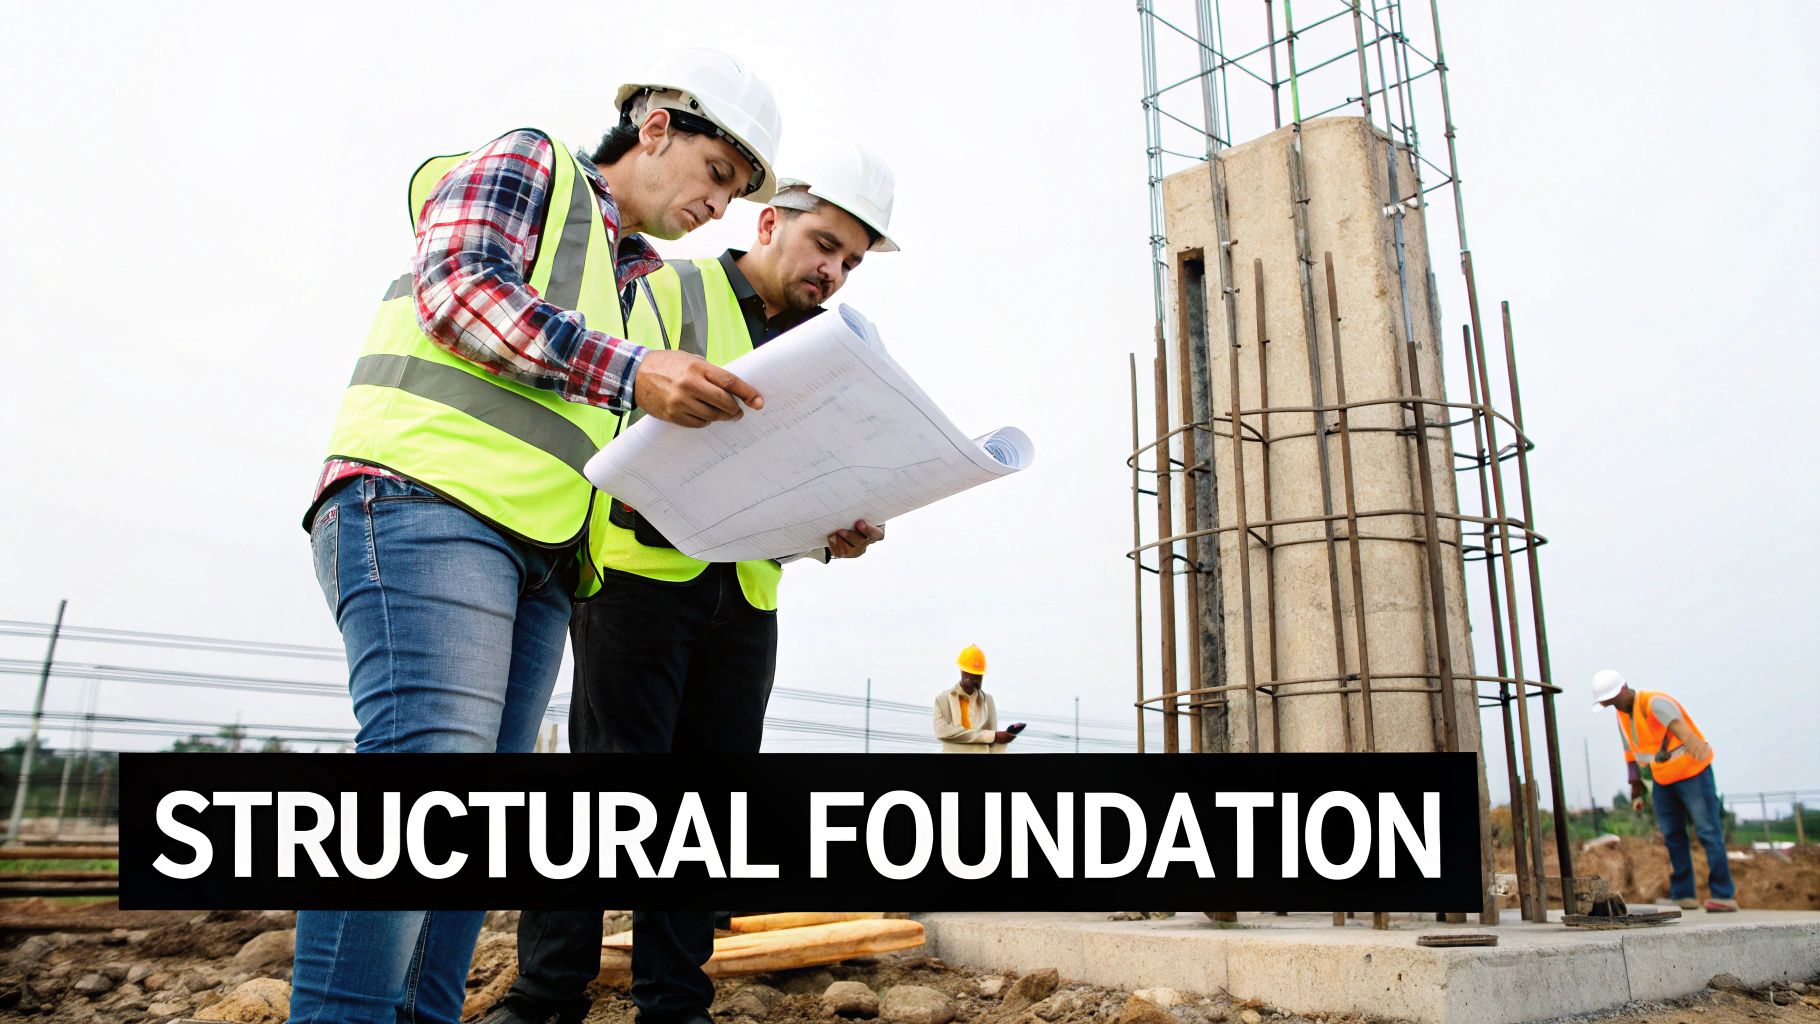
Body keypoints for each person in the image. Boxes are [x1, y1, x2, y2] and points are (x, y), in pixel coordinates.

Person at [292, 49, 783, 1024]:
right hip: (424, 502)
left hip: (543, 559)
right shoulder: (535, 162)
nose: (720, 204)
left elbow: (607, 440)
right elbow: (460, 290)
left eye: (735, 191)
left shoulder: (629, 279)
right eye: (718, 172)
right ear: (655, 127)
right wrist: (633, 370)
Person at [490, 140, 900, 1024]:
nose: (833, 272)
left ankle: (675, 1003)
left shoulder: (829, 353)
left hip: (745, 593)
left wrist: (835, 532)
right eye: (825, 245)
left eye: (851, 263)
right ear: (771, 221)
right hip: (638, 575)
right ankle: (545, 996)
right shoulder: (663, 290)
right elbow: (596, 406)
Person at [1592, 668, 1738, 912]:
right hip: (1663, 778)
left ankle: (1724, 895)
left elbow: (1682, 730)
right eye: (1609, 703)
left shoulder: (1654, 702)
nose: (1613, 706)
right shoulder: (1622, 715)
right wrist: (1636, 785)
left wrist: (1698, 748)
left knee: (1708, 831)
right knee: (1672, 836)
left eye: (1614, 700)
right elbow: (1630, 752)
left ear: (1624, 689)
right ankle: (1684, 894)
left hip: (1692, 773)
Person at [934, 644, 1018, 753]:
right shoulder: (943, 700)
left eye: (979, 675)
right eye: (973, 674)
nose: (976, 679)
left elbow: (993, 744)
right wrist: (993, 736)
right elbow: (943, 732)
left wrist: (997, 738)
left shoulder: (988, 700)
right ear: (963, 672)